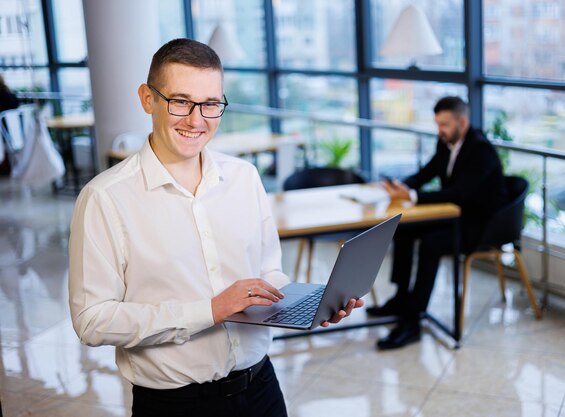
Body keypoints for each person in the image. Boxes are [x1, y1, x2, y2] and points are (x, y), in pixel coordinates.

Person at [68, 38, 363, 417]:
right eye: (180, 101)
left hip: (261, 388)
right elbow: (92, 321)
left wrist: (310, 305)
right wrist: (209, 310)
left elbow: (268, 271)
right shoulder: (105, 198)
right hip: (175, 405)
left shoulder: (244, 177)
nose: (196, 120)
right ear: (147, 99)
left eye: (210, 104)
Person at [368, 96, 506, 350]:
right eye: (438, 124)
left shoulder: (481, 151)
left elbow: (459, 194)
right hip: (454, 217)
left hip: (481, 226)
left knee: (431, 244)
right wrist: (404, 185)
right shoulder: (447, 143)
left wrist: (411, 196)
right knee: (404, 227)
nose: (439, 130)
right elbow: (427, 172)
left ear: (462, 122)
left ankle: (413, 320)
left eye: (444, 124)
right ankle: (401, 298)